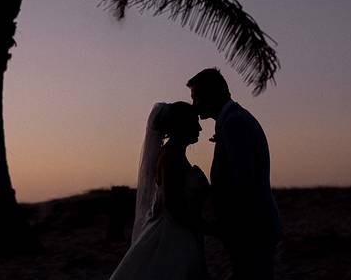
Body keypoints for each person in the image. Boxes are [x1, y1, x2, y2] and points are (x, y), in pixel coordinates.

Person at [188, 68, 282, 280]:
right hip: (251, 227)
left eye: (196, 99)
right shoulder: (231, 120)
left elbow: (243, 183)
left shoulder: (234, 123)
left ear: (211, 94)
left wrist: (228, 227)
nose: (194, 106)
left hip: (251, 228)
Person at [109, 101, 210, 280]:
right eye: (194, 122)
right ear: (181, 125)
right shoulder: (170, 157)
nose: (200, 128)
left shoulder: (175, 154)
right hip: (172, 237)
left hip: (182, 233)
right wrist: (208, 227)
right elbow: (173, 206)